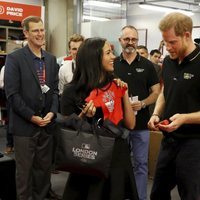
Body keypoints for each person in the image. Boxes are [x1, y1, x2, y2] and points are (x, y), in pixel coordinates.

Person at [61, 37, 139, 200]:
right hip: (89, 159)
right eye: (108, 53)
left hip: (117, 157)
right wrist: (83, 117)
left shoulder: (116, 84)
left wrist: (124, 93)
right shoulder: (72, 91)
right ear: (94, 58)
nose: (114, 57)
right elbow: (67, 132)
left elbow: (131, 124)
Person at [4, 16, 59, 200]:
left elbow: (55, 91)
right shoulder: (14, 59)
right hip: (25, 127)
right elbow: (12, 95)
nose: (40, 34)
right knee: (24, 174)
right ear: (26, 33)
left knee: (43, 172)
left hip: (46, 125)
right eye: (35, 30)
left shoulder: (50, 60)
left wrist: (52, 112)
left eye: (42, 30)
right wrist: (31, 116)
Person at [148, 12, 200, 200]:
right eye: (165, 43)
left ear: (187, 35)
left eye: (172, 42)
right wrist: (155, 114)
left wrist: (185, 118)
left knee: (190, 195)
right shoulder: (168, 62)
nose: (168, 48)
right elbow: (164, 91)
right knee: (158, 193)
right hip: (169, 140)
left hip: (194, 142)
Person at [114, 25, 160, 200]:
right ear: (120, 40)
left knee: (141, 164)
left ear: (137, 41)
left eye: (133, 39)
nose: (130, 42)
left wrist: (142, 103)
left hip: (141, 124)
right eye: (127, 39)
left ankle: (140, 197)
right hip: (118, 125)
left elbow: (156, 92)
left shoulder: (147, 66)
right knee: (118, 164)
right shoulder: (113, 64)